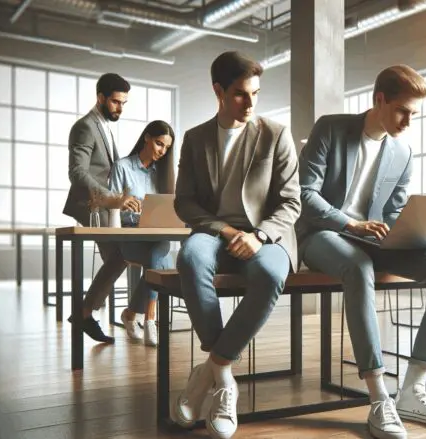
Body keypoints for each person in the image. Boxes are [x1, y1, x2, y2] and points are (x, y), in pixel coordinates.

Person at [297, 65, 426, 439]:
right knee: (358, 267)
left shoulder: (403, 152)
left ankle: (412, 390)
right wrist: (350, 224)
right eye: (402, 111)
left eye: (414, 114)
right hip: (323, 234)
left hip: (375, 239)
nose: (408, 121)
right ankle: (378, 397)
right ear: (379, 100)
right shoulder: (331, 127)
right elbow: (305, 195)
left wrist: (412, 230)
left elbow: (393, 211)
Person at [170, 51, 300, 439]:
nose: (251, 103)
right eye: (241, 94)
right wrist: (226, 232)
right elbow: (184, 202)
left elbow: (291, 201)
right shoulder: (194, 139)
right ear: (219, 91)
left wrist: (258, 236)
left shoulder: (276, 134)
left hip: (267, 234)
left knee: (271, 273)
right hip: (215, 233)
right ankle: (224, 377)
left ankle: (208, 368)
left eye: (256, 93)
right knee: (191, 260)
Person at [63, 72, 137, 343]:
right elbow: (77, 173)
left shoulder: (103, 124)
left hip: (107, 207)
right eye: (117, 102)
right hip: (93, 206)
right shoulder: (85, 126)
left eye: (124, 103)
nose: (120, 108)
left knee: (121, 257)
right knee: (120, 257)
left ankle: (84, 313)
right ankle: (83, 313)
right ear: (101, 98)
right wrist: (111, 197)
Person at [108, 120, 176, 347]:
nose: (162, 151)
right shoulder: (123, 167)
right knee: (159, 261)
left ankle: (146, 318)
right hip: (130, 236)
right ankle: (143, 318)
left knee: (158, 253)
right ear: (146, 137)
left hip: (157, 237)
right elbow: (113, 207)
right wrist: (126, 206)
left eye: (166, 148)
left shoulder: (162, 174)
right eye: (159, 144)